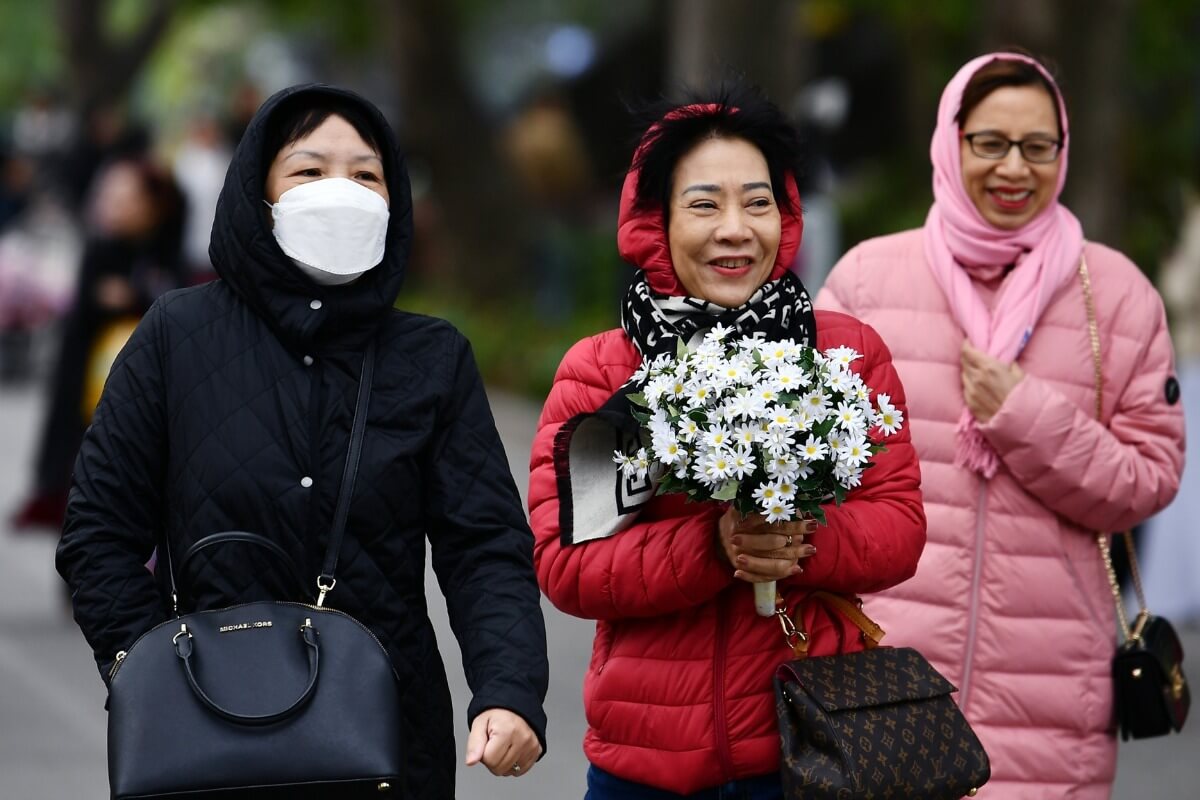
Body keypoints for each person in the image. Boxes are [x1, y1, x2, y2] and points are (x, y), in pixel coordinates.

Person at [55, 84, 548, 799]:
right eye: (309, 170)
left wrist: (508, 690)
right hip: (204, 736)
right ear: (259, 194)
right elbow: (98, 535)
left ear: (395, 200)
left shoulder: (432, 357)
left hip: (387, 742)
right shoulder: (175, 337)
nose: (339, 191)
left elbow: (484, 545)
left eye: (366, 174)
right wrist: (152, 668)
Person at [528, 86, 926, 798]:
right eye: (705, 205)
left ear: (787, 214)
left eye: (758, 202)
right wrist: (713, 548)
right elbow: (567, 564)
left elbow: (898, 526)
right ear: (656, 221)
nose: (735, 229)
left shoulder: (843, 355)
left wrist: (798, 538)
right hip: (643, 764)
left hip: (812, 746)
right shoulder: (604, 373)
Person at [816, 52, 1186, 798]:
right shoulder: (866, 282)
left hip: (1052, 703)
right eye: (990, 142)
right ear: (950, 143)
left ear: (1063, 151)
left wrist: (1024, 417)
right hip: (885, 688)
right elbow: (816, 470)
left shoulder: (1117, 296)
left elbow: (1150, 478)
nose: (1014, 167)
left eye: (1037, 146)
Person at [13, 156, 185, 530]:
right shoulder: (101, 249)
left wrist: (133, 295)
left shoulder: (167, 253)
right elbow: (89, 306)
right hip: (86, 373)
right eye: (108, 197)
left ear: (154, 206)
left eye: (125, 200)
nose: (111, 207)